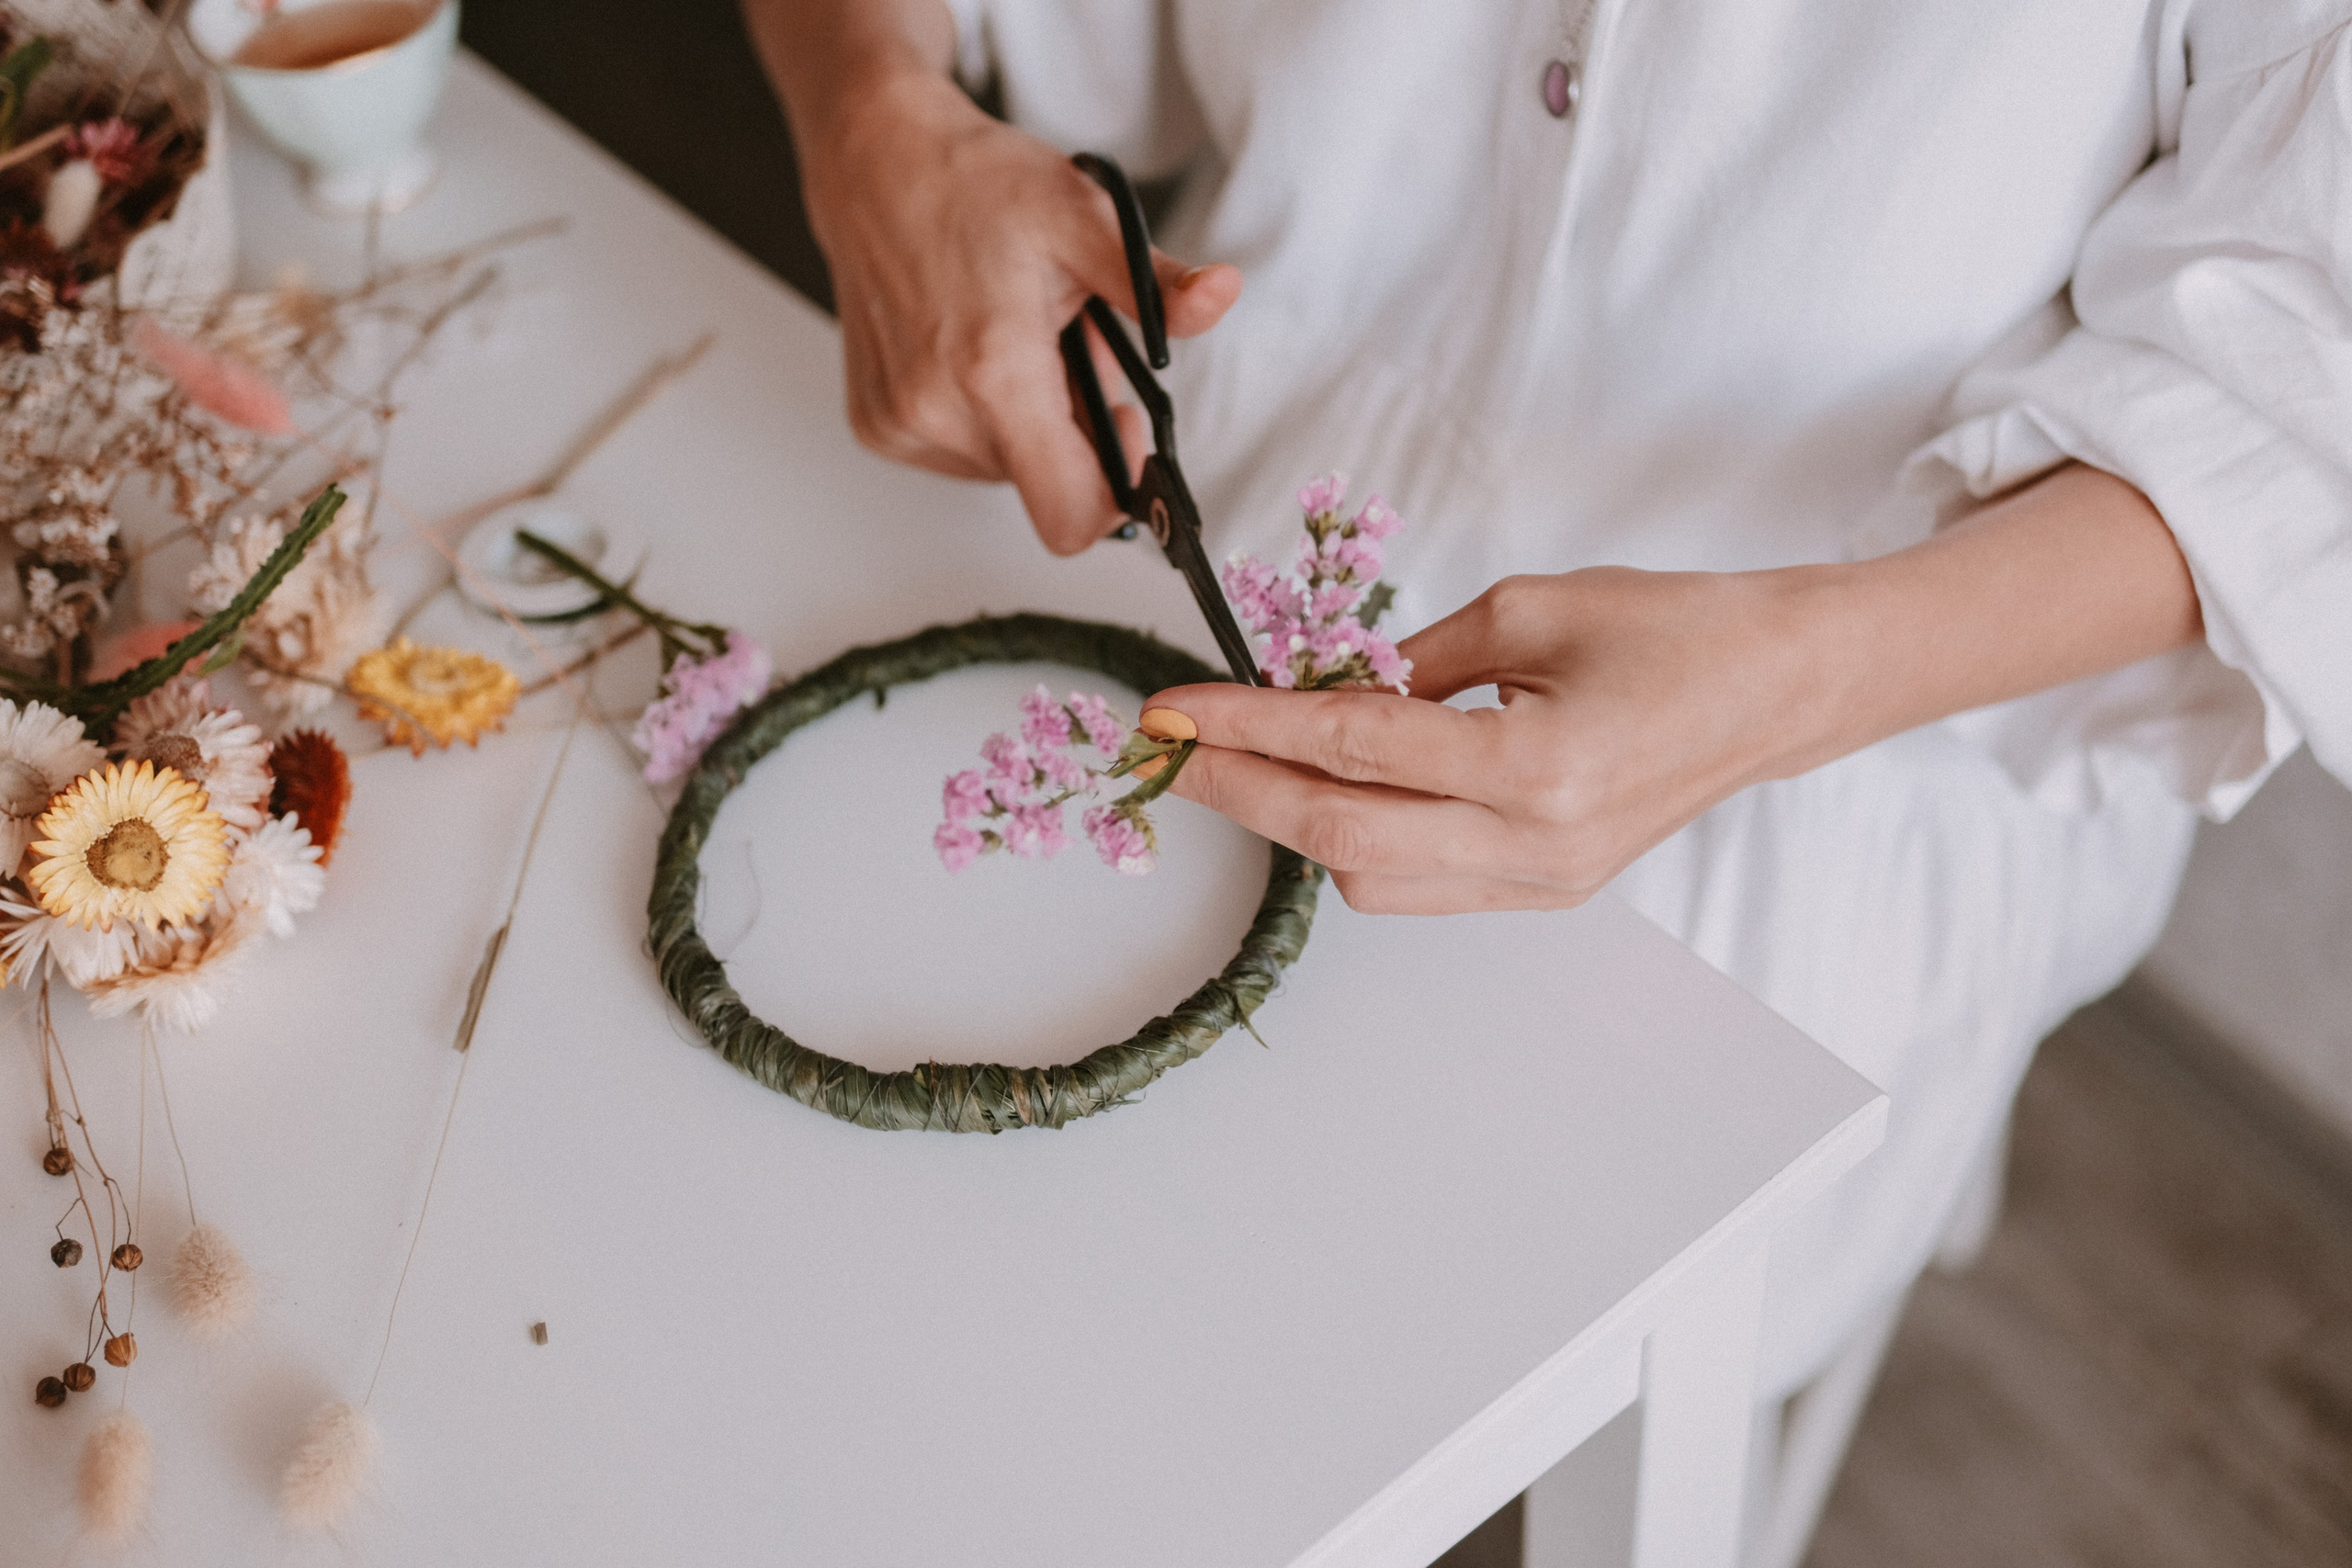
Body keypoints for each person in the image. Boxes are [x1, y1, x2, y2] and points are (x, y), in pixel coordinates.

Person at [745, 0, 2351, 1542]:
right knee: (863, 1282)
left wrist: (1787, 685)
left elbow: (2301, 389)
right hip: (1184, 514)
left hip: (1842, 732)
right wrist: (871, 112)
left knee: (1230, 1380)